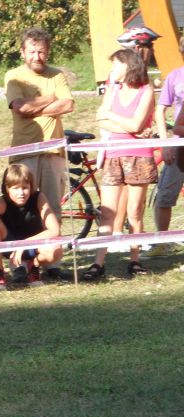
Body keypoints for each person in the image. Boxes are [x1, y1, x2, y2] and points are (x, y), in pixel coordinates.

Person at [5, 27, 73, 282]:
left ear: (48, 51)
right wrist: (51, 98)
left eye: (42, 51)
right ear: (23, 52)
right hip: (24, 151)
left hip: (53, 151)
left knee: (53, 208)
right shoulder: (14, 76)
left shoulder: (57, 74)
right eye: (32, 51)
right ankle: (19, 264)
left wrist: (37, 106)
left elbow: (68, 104)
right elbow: (20, 108)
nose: (37, 56)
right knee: (21, 209)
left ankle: (52, 263)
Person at [82, 49, 157, 281]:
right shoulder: (112, 89)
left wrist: (113, 118)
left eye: (115, 65)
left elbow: (135, 123)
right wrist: (127, 125)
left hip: (139, 156)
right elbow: (101, 117)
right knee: (107, 212)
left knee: (135, 212)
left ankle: (135, 260)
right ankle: (98, 263)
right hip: (114, 154)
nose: (112, 70)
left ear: (127, 65)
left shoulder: (146, 90)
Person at [0, 163, 62, 291]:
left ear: (31, 186)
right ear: (7, 189)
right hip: (9, 245)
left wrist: (25, 244)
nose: (21, 193)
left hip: (32, 245)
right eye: (16, 188)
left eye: (25, 187)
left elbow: (55, 230)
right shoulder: (2, 202)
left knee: (56, 250)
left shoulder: (39, 197)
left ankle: (33, 266)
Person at [152, 34, 184, 246]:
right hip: (178, 145)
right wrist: (166, 144)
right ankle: (161, 243)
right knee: (164, 195)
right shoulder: (174, 77)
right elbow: (160, 111)